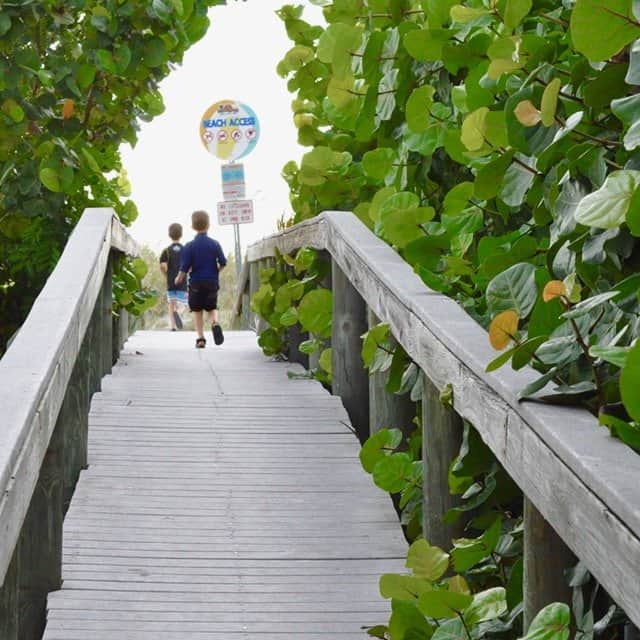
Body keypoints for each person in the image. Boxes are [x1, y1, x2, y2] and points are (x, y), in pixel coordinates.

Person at [175, 210, 227, 349]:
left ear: (192, 227)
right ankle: (215, 323)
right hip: (211, 281)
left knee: (197, 310)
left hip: (196, 283)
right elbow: (223, 262)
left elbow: (184, 267)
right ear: (209, 225)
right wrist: (217, 271)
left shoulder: (189, 246)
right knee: (211, 307)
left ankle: (201, 339)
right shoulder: (215, 244)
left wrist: (178, 278)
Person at [159, 223, 187, 331]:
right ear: (181, 234)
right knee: (183, 304)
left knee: (171, 304)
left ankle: (173, 326)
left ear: (169, 234)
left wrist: (166, 274)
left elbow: (163, 266)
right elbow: (189, 267)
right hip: (182, 281)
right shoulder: (186, 250)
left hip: (170, 282)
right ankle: (179, 313)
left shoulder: (166, 251)